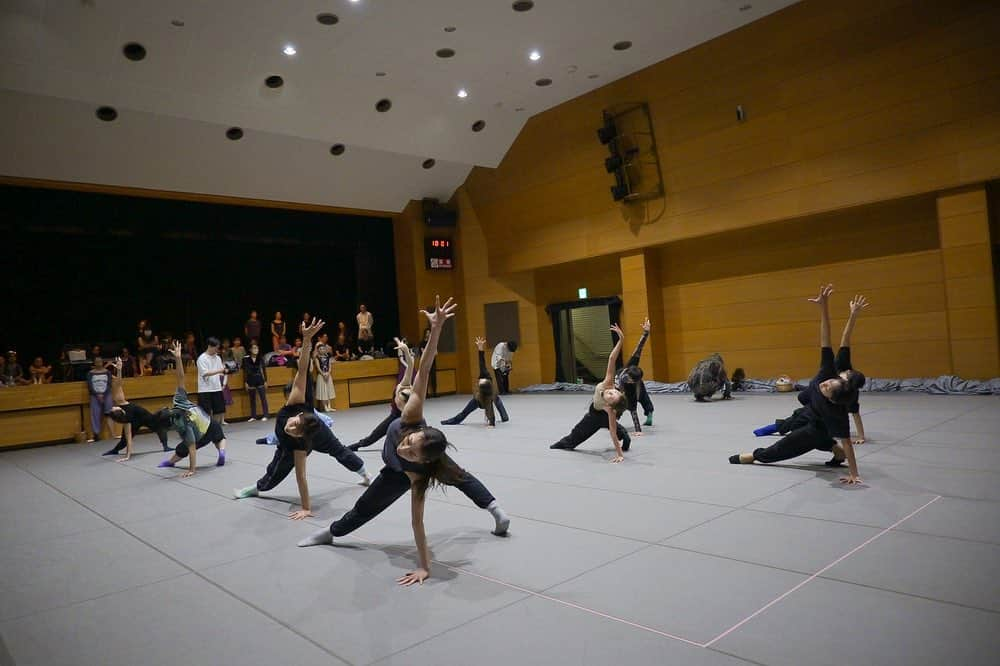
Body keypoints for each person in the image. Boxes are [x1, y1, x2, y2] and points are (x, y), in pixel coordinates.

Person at [298, 297, 511, 585]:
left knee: (455, 477)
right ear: (418, 430)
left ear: (421, 462)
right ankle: (331, 533)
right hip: (425, 451)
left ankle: (496, 511)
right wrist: (435, 329)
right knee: (366, 507)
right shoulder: (411, 414)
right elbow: (425, 367)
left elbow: (417, 523)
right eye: (411, 442)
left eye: (410, 452)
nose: (404, 447)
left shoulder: (415, 473)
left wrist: (425, 567)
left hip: (398, 472)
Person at [729, 286, 867, 485]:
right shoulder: (828, 371)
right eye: (829, 381)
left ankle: (756, 456)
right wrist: (824, 307)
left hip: (817, 429)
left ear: (832, 400)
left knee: (784, 447)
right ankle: (834, 452)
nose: (825, 384)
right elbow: (826, 339)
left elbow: (848, 442)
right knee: (792, 420)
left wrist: (854, 474)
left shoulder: (836, 413)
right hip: (808, 410)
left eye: (827, 388)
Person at [234, 317, 372, 514]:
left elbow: (301, 476)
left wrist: (306, 508)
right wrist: (306, 340)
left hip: (317, 431)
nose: (288, 425)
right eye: (293, 423)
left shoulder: (299, 445)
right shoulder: (294, 404)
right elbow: (303, 368)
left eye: (293, 429)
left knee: (338, 450)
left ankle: (366, 474)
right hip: (308, 425)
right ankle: (258, 488)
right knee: (277, 465)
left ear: (300, 436)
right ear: (297, 414)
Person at [753, 294, 870, 445]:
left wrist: (861, 436)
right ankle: (789, 423)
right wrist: (852, 314)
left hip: (821, 401)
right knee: (803, 402)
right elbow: (844, 337)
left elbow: (855, 414)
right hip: (812, 391)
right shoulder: (841, 364)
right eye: (845, 373)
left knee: (804, 417)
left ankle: (778, 426)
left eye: (845, 378)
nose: (843, 375)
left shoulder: (848, 394)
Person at [550, 325, 630, 463]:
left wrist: (619, 454)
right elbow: (612, 359)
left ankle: (625, 439)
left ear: (609, 405)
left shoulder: (610, 412)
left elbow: (611, 432)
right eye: (613, 392)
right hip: (593, 412)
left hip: (601, 416)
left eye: (611, 396)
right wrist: (621, 340)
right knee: (578, 432)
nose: (610, 392)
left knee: (618, 431)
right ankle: (565, 444)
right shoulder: (608, 383)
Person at [157, 341, 227, 476]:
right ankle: (222, 451)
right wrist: (178, 359)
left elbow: (192, 448)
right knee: (219, 435)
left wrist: (192, 470)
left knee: (182, 448)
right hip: (209, 423)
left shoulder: (183, 427)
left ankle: (171, 462)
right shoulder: (179, 400)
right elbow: (181, 377)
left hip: (200, 434)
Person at [348, 337, 414, 452]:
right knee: (376, 433)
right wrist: (405, 351)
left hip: (405, 417)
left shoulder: (410, 387)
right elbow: (410, 366)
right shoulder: (404, 383)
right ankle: (359, 444)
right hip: (394, 415)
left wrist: (407, 352)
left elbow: (411, 365)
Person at [103, 358, 171, 460]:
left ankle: (165, 446)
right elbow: (129, 438)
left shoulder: (119, 399)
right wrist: (127, 456)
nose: (112, 407)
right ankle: (115, 450)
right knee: (124, 439)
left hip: (143, 416)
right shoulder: (126, 419)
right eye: (113, 409)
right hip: (135, 420)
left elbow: (119, 382)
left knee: (158, 426)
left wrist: (119, 369)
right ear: (119, 411)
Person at [441, 337, 509, 427]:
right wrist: (480, 349)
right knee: (465, 412)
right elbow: (482, 362)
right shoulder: (484, 375)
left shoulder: (489, 397)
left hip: (489, 396)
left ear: (482, 389)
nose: (479, 380)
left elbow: (490, 411)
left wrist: (491, 424)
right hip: (483, 397)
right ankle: (451, 421)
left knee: (498, 402)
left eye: (480, 382)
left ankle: (505, 417)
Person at [615, 318, 654, 432]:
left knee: (642, 397)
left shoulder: (634, 384)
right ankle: (615, 418)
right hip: (619, 385)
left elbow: (633, 410)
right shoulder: (631, 365)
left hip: (635, 387)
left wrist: (638, 430)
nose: (629, 381)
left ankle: (649, 413)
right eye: (630, 380)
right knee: (617, 401)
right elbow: (638, 348)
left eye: (632, 381)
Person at [196, 337, 227, 424]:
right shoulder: (202, 358)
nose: (217, 350)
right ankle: (208, 430)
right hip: (205, 389)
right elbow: (205, 373)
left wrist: (227, 371)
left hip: (216, 388)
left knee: (219, 411)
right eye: (216, 348)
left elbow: (221, 371)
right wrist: (220, 371)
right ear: (209, 346)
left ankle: (216, 428)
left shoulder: (218, 358)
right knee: (205, 412)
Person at [85, 357, 113, 442]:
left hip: (106, 394)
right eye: (97, 362)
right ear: (94, 363)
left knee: (110, 413)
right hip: (94, 396)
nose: (99, 363)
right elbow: (90, 386)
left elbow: (109, 384)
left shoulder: (107, 372)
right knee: (95, 414)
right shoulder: (90, 373)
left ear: (102, 362)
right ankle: (96, 434)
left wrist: (103, 394)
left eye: (100, 362)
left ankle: (113, 433)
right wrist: (97, 395)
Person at [243, 341, 269, 421]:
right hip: (251, 379)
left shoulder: (260, 358)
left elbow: (263, 370)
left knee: (263, 398)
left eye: (257, 348)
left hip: (260, 379)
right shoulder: (246, 359)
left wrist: (265, 381)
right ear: (250, 349)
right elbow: (245, 372)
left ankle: (266, 415)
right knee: (252, 399)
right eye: (254, 348)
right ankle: (253, 416)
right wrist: (245, 382)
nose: (256, 349)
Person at [312, 333, 336, 412]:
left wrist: (328, 373)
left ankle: (329, 406)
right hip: (321, 376)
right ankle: (325, 406)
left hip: (328, 375)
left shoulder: (327, 357)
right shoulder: (317, 358)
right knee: (323, 391)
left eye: (323, 349)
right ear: (318, 350)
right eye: (320, 349)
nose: (322, 350)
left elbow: (329, 366)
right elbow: (318, 368)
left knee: (328, 390)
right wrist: (323, 374)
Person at [416, 328, 437, 397]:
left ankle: (435, 392)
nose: (428, 334)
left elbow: (436, 352)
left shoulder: (433, 342)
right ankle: (426, 393)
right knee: (425, 378)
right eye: (427, 333)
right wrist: (430, 352)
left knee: (433, 377)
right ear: (425, 334)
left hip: (432, 361)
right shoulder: (422, 343)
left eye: (429, 333)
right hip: (425, 362)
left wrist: (431, 352)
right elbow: (423, 352)